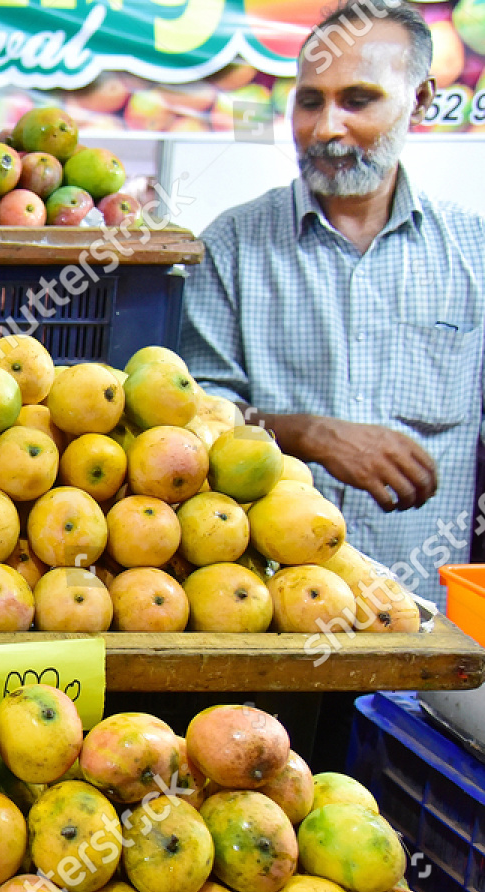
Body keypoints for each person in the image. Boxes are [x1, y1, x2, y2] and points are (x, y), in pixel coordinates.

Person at [180, 0, 485, 606]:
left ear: (420, 101)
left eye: (359, 100)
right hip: (268, 617)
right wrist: (309, 434)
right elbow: (190, 425)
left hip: (423, 617)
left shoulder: (475, 253)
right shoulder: (230, 247)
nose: (325, 128)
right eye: (311, 101)